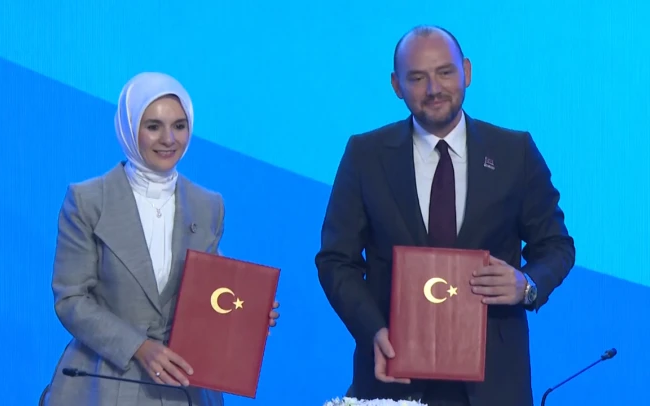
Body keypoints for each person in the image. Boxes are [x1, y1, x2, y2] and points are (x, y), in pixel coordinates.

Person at [315, 26, 574, 406]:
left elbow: (555, 246)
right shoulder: (365, 155)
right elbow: (336, 260)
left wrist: (527, 285)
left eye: (445, 72)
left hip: (494, 381)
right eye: (417, 78)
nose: (433, 89)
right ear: (396, 85)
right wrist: (373, 331)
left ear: (466, 71)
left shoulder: (514, 151)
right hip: (394, 373)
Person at [42, 72, 280, 406]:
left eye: (179, 126)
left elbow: (210, 293)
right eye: (153, 126)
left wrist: (248, 313)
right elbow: (71, 299)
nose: (169, 139)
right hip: (105, 383)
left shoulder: (208, 205)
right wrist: (139, 347)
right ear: (129, 127)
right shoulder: (88, 201)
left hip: (185, 386)